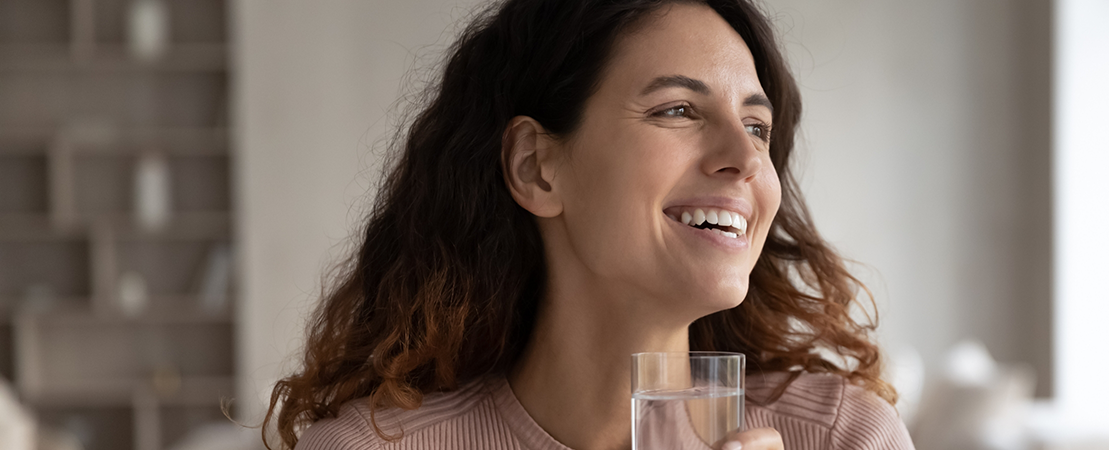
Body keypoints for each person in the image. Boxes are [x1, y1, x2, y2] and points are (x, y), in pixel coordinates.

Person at [262, 0, 915, 449]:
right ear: (538, 167)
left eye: (756, 126)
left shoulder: (843, 436)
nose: (746, 160)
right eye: (679, 110)